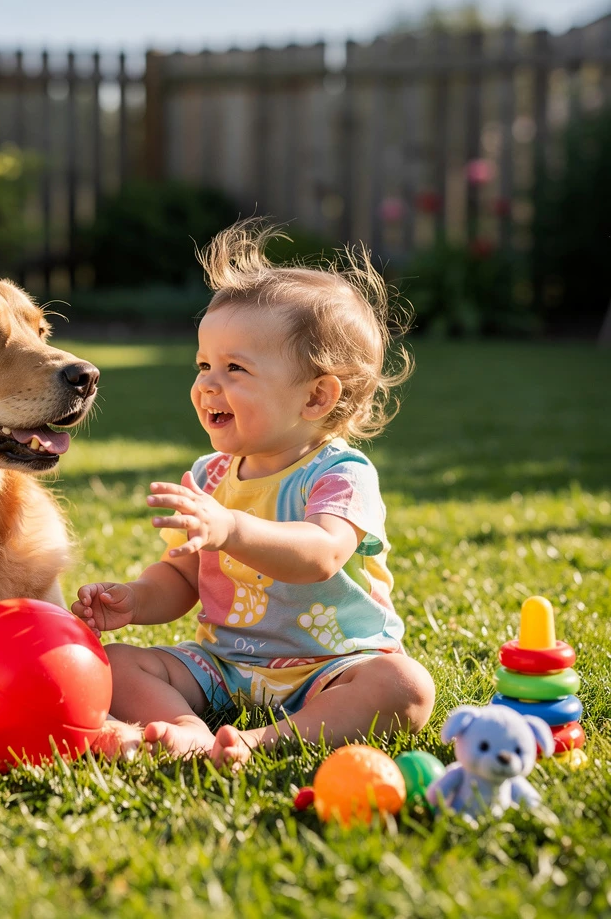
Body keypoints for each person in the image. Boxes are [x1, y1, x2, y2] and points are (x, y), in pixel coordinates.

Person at [75, 224, 435, 767]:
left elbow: (320, 554)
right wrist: (135, 599)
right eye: (203, 365)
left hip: (330, 666)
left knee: (404, 685)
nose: (206, 385)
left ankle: (264, 741)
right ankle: (185, 728)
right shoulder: (210, 474)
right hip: (225, 664)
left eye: (234, 369)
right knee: (116, 663)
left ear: (316, 397)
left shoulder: (339, 473)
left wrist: (232, 529)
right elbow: (181, 576)